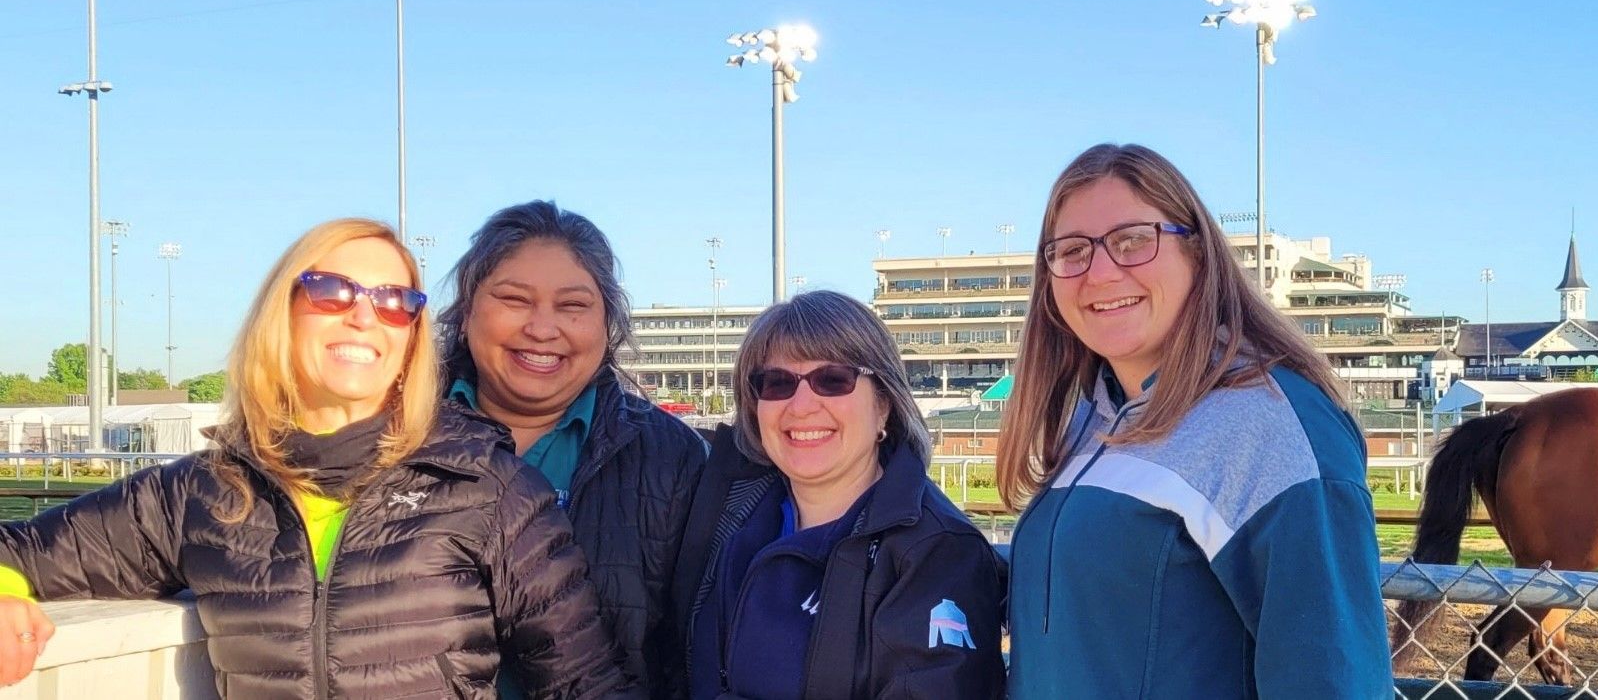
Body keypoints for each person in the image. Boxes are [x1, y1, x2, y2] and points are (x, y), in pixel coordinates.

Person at [0, 218, 630, 697]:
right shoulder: (201, 493)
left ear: (412, 337)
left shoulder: (487, 486)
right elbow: (17, 549)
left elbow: (584, 682)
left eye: (393, 301)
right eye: (331, 290)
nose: (363, 316)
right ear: (284, 312)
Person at [996, 143, 1391, 698]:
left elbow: (1332, 679)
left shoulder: (1269, 422)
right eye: (1073, 250)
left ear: (1198, 253)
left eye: (1134, 241)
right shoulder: (1090, 416)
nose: (1101, 272)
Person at [675, 290, 1005, 700]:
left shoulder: (936, 553)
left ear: (883, 403)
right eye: (777, 383)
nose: (802, 405)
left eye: (833, 380)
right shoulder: (728, 518)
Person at [438, 200, 708, 697]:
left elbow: (689, 658)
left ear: (607, 327)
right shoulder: (397, 440)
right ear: (465, 314)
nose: (542, 329)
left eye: (572, 306)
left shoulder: (676, 460)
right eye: (515, 299)